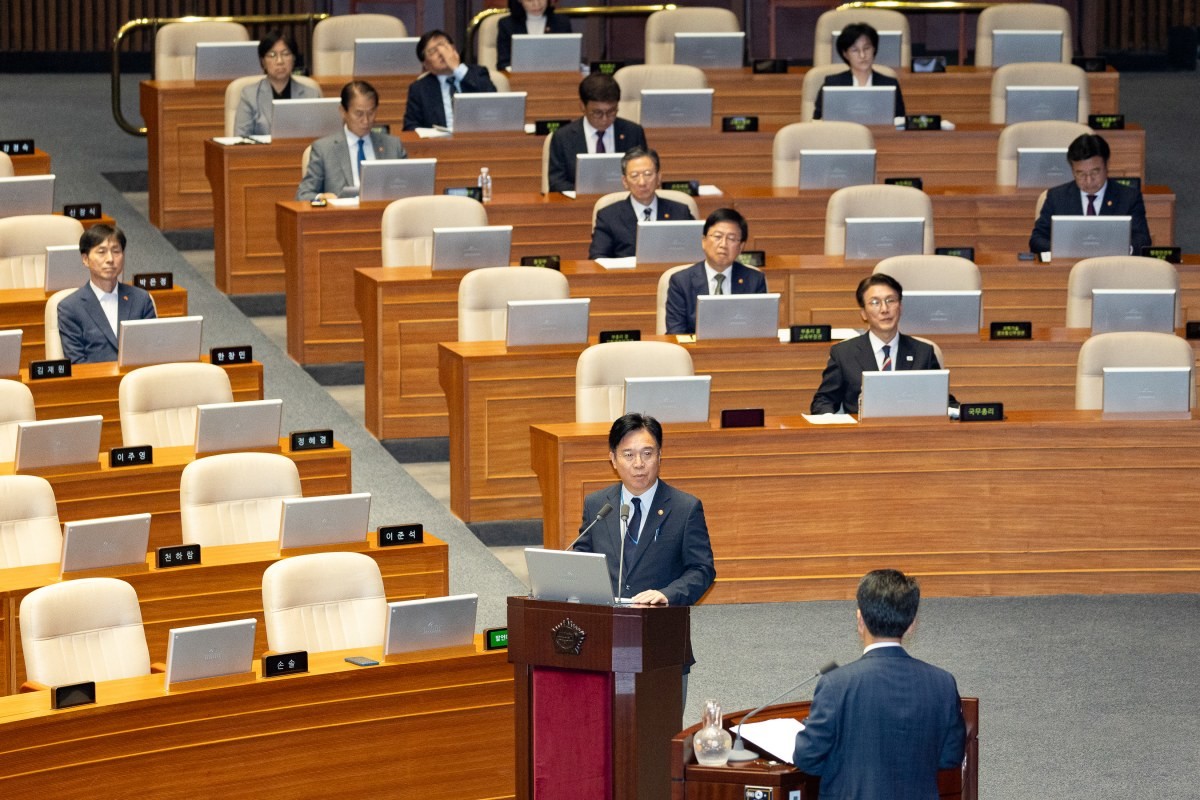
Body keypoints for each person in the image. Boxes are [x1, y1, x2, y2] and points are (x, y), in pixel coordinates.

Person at [793, 569, 967, 800]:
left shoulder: (836, 684)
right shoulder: (942, 683)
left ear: (860, 620)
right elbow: (950, 756)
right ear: (912, 624)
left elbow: (807, 758)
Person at [574, 413, 716, 691]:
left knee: (659, 728)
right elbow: (583, 557)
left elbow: (703, 570)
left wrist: (667, 594)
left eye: (647, 453)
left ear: (660, 456)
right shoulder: (597, 505)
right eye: (628, 454)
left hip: (660, 639)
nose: (638, 464)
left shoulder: (685, 508)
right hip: (606, 637)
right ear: (613, 460)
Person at [810, 273, 946, 415]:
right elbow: (824, 400)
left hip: (911, 433)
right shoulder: (844, 353)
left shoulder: (923, 352)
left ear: (900, 307)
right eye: (875, 302)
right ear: (863, 313)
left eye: (890, 301)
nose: (884, 309)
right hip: (862, 434)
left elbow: (943, 401)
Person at [1029, 132, 1151, 255]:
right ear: (1073, 170)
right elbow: (1036, 239)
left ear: (1107, 165)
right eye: (1081, 174)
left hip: (1112, 267)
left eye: (1095, 172)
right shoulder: (1056, 197)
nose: (1088, 180)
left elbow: (1143, 239)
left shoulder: (1129, 197)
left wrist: (1119, 249)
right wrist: (1064, 249)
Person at [57, 224, 156, 364]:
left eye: (116, 251)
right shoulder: (70, 307)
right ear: (85, 259)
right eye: (101, 252)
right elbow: (77, 363)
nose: (110, 259)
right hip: (96, 383)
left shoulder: (141, 299)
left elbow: (154, 350)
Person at [295, 80, 407, 201]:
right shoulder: (324, 150)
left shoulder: (393, 146)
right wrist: (321, 197)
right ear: (343, 112)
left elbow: (410, 188)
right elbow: (303, 195)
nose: (366, 120)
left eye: (371, 113)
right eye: (359, 114)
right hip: (342, 217)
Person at [664, 208, 767, 335]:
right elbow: (676, 333)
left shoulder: (755, 280)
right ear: (704, 241)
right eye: (717, 236)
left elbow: (760, 330)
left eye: (731, 238)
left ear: (741, 247)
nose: (723, 244)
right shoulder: (681, 281)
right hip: (694, 353)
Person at [547, 73, 648, 193]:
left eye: (611, 111)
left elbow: (644, 172)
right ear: (582, 107)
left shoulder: (633, 132)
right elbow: (556, 182)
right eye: (597, 113)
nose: (605, 119)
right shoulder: (563, 137)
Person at [588, 147, 694, 259]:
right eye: (634, 176)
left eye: (648, 174)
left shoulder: (680, 212)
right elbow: (597, 257)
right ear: (625, 181)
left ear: (658, 178)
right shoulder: (608, 216)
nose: (642, 182)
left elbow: (696, 251)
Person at [402, 30, 497, 130]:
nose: (440, 53)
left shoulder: (479, 73)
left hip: (478, 139)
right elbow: (410, 127)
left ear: (454, 49)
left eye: (443, 46)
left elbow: (494, 104)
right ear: (425, 65)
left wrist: (457, 69)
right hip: (439, 143)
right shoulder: (419, 89)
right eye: (432, 51)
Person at [233, 30, 319, 137]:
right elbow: (240, 138)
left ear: (294, 58)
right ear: (263, 61)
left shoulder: (311, 95)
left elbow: (319, 138)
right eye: (272, 55)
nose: (279, 61)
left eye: (286, 54)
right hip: (261, 153)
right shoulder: (249, 96)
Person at [813, 22, 906, 120]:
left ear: (874, 49)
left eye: (866, 48)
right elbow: (817, 121)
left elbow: (900, 121)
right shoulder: (832, 84)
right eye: (855, 50)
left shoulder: (889, 84)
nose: (862, 55)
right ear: (845, 54)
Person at [496, 0, 573, 72]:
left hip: (555, 77)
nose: (536, 4)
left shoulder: (562, 22)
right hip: (519, 79)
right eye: (530, 0)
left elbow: (569, 59)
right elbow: (503, 63)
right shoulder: (507, 24)